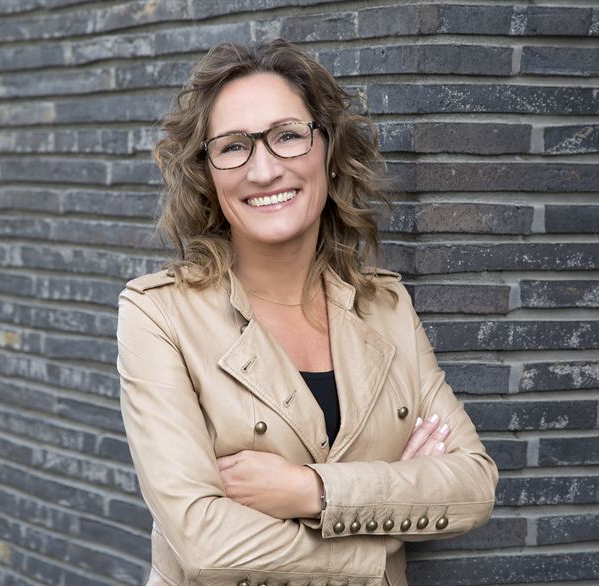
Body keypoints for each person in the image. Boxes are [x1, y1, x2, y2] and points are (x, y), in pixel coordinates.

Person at [116, 39, 498, 586]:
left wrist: (311, 491)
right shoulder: (160, 314)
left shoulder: (384, 306)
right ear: (207, 174)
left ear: (328, 151)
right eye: (233, 146)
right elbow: (203, 544)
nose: (264, 169)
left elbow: (473, 485)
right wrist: (381, 535)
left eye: (288, 136)